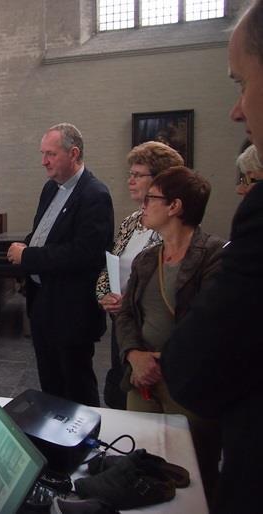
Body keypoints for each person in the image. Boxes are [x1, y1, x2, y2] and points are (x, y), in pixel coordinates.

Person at [161, 2, 263, 512]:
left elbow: (202, 361)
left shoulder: (218, 247)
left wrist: (166, 359)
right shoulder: (141, 246)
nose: (237, 110)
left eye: (240, 83)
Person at [114, 166, 223, 505]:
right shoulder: (147, 258)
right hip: (142, 379)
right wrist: (134, 355)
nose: (143, 205)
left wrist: (162, 360)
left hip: (187, 382)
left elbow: (210, 324)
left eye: (151, 198)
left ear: (175, 206)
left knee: (193, 476)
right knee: (142, 466)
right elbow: (128, 313)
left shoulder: (215, 256)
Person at [6, 123, 114, 406]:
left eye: (51, 154)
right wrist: (27, 246)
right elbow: (44, 232)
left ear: (74, 153)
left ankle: (86, 446)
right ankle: (55, 444)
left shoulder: (94, 195)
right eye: (43, 154)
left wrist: (28, 257)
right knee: (51, 384)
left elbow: (85, 254)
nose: (44, 161)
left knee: (77, 388)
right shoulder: (51, 188)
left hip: (72, 310)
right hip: (44, 304)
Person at [96, 141, 184, 409]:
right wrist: (104, 295)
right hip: (122, 322)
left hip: (152, 332)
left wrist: (132, 302)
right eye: (130, 174)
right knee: (118, 392)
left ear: (160, 180)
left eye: (138, 175)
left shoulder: (174, 224)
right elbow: (110, 264)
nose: (130, 181)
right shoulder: (131, 221)